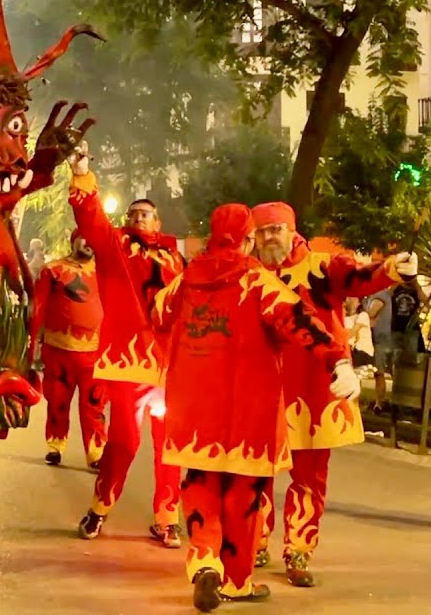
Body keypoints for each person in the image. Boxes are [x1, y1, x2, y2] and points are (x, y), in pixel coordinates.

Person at [153, 204, 356, 612]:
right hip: (249, 409)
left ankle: (205, 563)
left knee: (200, 486)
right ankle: (238, 582)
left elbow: (157, 312)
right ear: (247, 238)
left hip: (193, 408)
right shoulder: (257, 281)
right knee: (246, 495)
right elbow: (301, 321)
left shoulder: (187, 279)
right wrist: (338, 361)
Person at [249, 201, 416, 586]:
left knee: (309, 478)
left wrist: (393, 268)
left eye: (276, 229)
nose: (270, 237)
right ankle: (254, 539)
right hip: (262, 388)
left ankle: (298, 549)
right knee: (254, 474)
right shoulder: (251, 274)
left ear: (292, 231)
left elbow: (360, 276)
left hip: (313, 389)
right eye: (263, 231)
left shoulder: (320, 267)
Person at [69, 140, 187, 547]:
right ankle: (99, 509)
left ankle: (167, 519)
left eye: (146, 214)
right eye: (134, 213)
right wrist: (82, 173)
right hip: (129, 364)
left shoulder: (178, 260)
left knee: (169, 448)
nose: (139, 218)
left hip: (169, 366)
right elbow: (91, 219)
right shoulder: (115, 246)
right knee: (123, 443)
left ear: (158, 222)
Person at [30, 229, 107, 469]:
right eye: (83, 237)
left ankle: (96, 452)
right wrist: (31, 342)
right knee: (58, 402)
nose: (88, 243)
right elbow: (38, 307)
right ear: (73, 241)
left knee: (94, 405)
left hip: (95, 353)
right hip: (58, 350)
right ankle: (55, 446)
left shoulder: (105, 273)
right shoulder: (52, 270)